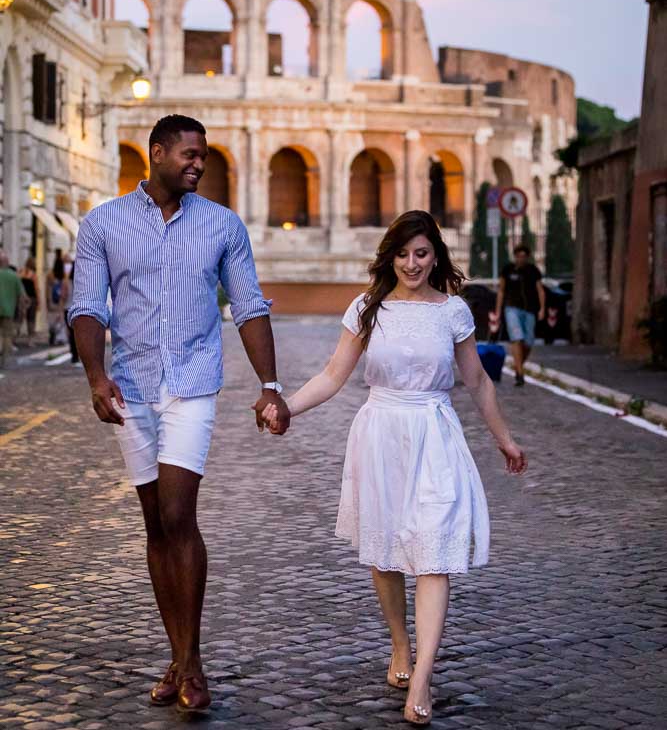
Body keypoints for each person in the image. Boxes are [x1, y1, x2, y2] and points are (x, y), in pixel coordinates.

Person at [262, 210, 526, 726]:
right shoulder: (367, 308)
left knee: (434, 555)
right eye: (403, 254)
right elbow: (334, 375)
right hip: (380, 433)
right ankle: (400, 646)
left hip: (434, 432)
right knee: (383, 553)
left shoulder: (452, 311)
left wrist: (505, 440)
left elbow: (478, 382)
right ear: (391, 256)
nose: (412, 263)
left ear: (436, 257)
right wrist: (287, 406)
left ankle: (423, 676)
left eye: (422, 254)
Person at [68, 114, 290, 715]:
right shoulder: (104, 223)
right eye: (189, 154)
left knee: (177, 512)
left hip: (192, 384)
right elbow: (86, 306)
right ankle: (178, 654)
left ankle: (191, 664)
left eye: (205, 155)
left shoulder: (222, 226)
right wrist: (96, 376)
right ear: (157, 153)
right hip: (131, 388)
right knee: (155, 526)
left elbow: (248, 306)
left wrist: (270, 385)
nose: (199, 163)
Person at [495, 244, 546, 386]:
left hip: (530, 309)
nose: (520, 259)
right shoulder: (508, 270)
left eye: (523, 256)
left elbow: (540, 290)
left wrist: (542, 309)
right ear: (515, 256)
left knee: (528, 341)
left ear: (527, 257)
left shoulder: (533, 270)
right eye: (518, 256)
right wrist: (498, 311)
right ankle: (519, 374)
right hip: (511, 308)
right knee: (516, 338)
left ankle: (518, 366)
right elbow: (501, 291)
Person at [0, 252, 25, 369]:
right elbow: (22, 296)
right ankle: (4, 360)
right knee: (6, 336)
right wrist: (21, 309)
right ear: (7, 263)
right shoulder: (14, 276)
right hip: (8, 310)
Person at [18, 256, 40, 345]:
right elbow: (36, 289)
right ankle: (30, 340)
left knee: (19, 318)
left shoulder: (20, 272)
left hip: (22, 298)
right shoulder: (33, 275)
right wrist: (39, 301)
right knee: (31, 319)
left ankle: (14, 338)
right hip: (32, 299)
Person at [46, 255, 67, 346]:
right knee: (59, 320)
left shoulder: (50, 275)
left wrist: (49, 301)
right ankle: (59, 338)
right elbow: (64, 290)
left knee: (52, 320)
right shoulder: (64, 276)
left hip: (52, 300)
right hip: (60, 301)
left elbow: (48, 289)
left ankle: (52, 336)